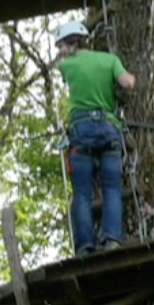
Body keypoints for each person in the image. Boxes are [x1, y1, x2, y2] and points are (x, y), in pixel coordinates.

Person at [53, 21, 137, 254]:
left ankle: (85, 246)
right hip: (109, 127)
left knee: (81, 192)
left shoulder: (67, 66)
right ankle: (112, 239)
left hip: (81, 130)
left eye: (61, 45)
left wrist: (64, 53)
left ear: (69, 44)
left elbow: (58, 63)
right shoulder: (109, 60)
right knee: (112, 187)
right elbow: (128, 83)